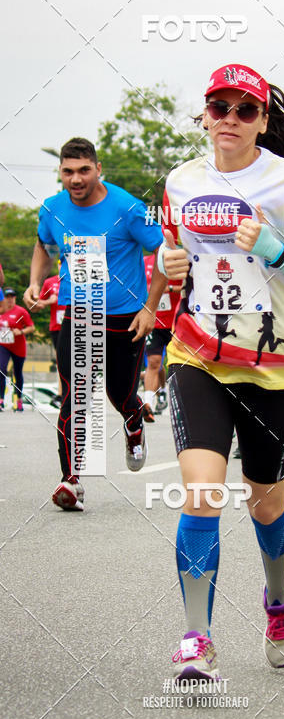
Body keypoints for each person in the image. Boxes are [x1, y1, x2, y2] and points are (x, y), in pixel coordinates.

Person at [159, 64, 284, 682]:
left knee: (266, 505)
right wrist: (168, 260)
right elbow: (175, 254)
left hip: (276, 369)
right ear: (205, 115)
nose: (230, 118)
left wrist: (273, 249)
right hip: (199, 356)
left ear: (262, 121)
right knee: (202, 493)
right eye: (219, 107)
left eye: (245, 109)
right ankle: (196, 638)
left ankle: (278, 601)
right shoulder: (180, 181)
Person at [24, 137, 165, 511]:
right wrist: (35, 281)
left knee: (120, 393)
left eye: (84, 170)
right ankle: (71, 481)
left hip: (125, 318)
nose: (76, 179)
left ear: (98, 169)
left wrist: (150, 308)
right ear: (60, 172)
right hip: (79, 314)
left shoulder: (128, 208)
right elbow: (43, 245)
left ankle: (134, 423)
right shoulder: (52, 209)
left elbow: (164, 253)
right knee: (75, 395)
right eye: (68, 171)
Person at [142, 253, 181, 421]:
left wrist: (169, 289)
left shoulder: (177, 259)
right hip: (154, 322)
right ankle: (148, 404)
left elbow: (190, 286)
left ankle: (177, 402)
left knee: (177, 365)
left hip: (176, 323)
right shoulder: (144, 261)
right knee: (154, 362)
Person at [34, 266, 66, 408]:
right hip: (57, 327)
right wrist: (49, 301)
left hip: (77, 325)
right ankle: (61, 394)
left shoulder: (78, 280)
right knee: (62, 360)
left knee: (77, 359)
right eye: (59, 262)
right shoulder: (50, 283)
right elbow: (37, 305)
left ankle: (78, 393)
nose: (62, 265)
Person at [0, 288, 35, 411]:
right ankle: (1, 400)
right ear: (3, 298)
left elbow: (31, 327)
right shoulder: (1, 310)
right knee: (1, 369)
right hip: (3, 346)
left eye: (12, 297)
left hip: (18, 347)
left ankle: (18, 399)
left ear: (15, 298)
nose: (10, 299)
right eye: (7, 297)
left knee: (17, 373)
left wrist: (20, 331)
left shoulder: (21, 311)